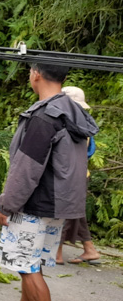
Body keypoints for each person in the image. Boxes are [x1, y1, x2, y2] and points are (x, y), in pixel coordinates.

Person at [0, 64, 98, 301]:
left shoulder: (44, 117)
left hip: (34, 204)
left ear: (36, 74)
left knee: (26, 268)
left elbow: (26, 168)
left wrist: (6, 205)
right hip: (60, 203)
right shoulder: (72, 111)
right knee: (33, 263)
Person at [55, 86, 101, 265]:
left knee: (63, 212)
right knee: (75, 212)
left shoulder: (67, 124)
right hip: (81, 173)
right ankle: (89, 250)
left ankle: (57, 252)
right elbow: (90, 152)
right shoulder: (86, 124)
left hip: (69, 175)